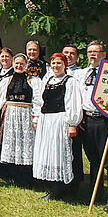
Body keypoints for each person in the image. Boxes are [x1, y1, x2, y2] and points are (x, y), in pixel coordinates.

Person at [74, 40, 108, 212]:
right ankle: (95, 193)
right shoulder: (81, 74)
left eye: (96, 52)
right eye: (89, 52)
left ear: (104, 54)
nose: (92, 55)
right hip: (88, 121)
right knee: (94, 159)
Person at [32, 53, 83, 201]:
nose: (56, 66)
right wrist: (37, 118)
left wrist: (72, 124)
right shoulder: (47, 80)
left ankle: (61, 188)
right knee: (48, 153)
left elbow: (73, 103)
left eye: (59, 63)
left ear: (65, 65)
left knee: (59, 153)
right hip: (46, 121)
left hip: (60, 120)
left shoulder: (70, 81)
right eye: (53, 63)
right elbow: (39, 101)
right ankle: (51, 186)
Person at [0, 53, 40, 186]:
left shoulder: (33, 81)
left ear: (26, 65)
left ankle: (27, 177)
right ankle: (14, 176)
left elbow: (38, 100)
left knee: (26, 145)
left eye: (22, 64)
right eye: (16, 63)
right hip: (10, 116)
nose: (19, 66)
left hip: (26, 116)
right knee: (12, 144)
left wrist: (36, 117)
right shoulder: (7, 80)